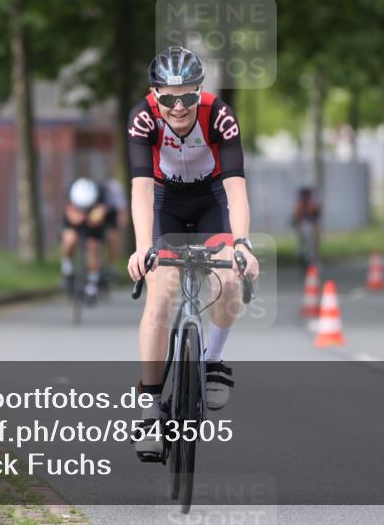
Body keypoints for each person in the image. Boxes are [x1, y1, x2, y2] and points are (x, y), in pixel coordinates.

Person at [126, 46, 260, 458]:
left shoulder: (219, 115)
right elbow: (142, 190)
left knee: (230, 277)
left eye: (187, 96)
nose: (178, 106)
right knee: (162, 293)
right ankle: (149, 408)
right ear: (155, 95)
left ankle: (214, 360)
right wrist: (142, 247)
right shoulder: (142, 118)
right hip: (165, 203)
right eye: (168, 97)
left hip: (211, 200)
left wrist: (241, 243)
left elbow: (236, 188)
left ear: (199, 91)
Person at [60, 177, 108, 304]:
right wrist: (76, 217)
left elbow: (102, 212)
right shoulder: (71, 193)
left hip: (93, 227)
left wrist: (94, 218)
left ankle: (92, 285)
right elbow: (69, 213)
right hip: (73, 225)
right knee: (69, 239)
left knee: (93, 247)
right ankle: (67, 269)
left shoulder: (100, 193)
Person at [292, 185, 322, 265]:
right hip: (303, 221)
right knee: (302, 235)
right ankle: (302, 249)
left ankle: (315, 256)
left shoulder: (313, 205)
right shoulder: (299, 206)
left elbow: (316, 218)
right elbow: (297, 217)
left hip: (311, 221)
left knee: (315, 235)